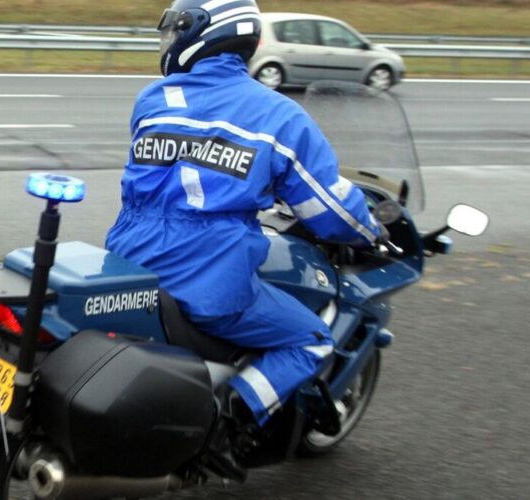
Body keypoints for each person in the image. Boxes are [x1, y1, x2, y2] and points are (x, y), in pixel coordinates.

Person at [105, 0, 383, 432]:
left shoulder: (153, 100)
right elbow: (327, 209)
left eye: (176, 32)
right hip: (206, 276)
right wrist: (370, 231)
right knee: (310, 340)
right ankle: (230, 420)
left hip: (128, 259)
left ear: (206, 34)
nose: (170, 43)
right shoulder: (278, 115)